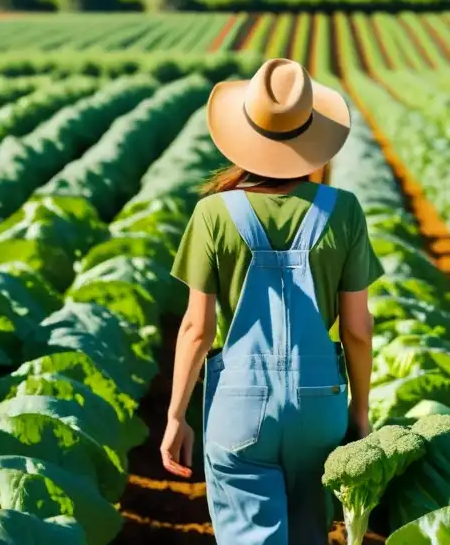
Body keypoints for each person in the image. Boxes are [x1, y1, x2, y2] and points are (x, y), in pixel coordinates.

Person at [160, 57, 383, 544]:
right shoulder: (342, 209)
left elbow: (196, 330)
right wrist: (359, 413)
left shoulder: (213, 213)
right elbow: (358, 330)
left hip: (239, 407)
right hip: (320, 402)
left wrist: (176, 416)